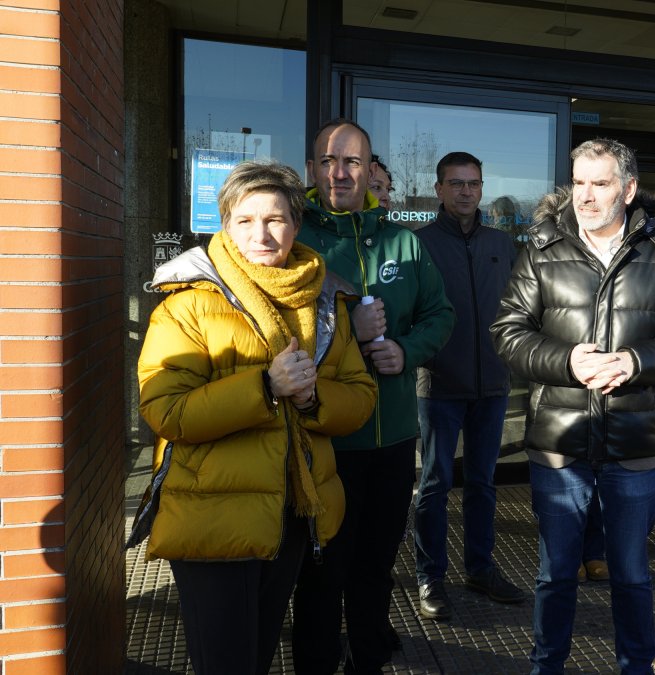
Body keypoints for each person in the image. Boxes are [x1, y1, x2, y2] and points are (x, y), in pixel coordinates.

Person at [136, 160, 376, 674]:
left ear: (297, 223)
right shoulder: (188, 302)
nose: (261, 234)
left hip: (290, 510)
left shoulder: (326, 299)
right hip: (211, 513)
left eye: (275, 219)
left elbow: (360, 395)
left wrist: (313, 400)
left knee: (258, 657)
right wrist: (265, 388)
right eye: (244, 220)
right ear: (224, 225)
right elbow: (166, 411)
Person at [491, 138, 655, 674]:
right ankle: (547, 665)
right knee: (555, 573)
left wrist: (634, 363)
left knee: (632, 574)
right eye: (579, 183)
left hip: (634, 444)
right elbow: (507, 332)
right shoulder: (541, 247)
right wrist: (568, 361)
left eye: (601, 183)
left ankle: (635, 666)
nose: (585, 197)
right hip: (560, 446)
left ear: (629, 189)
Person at [291, 119, 455, 675]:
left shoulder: (404, 240)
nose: (340, 172)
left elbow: (441, 314)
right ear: (312, 168)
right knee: (319, 572)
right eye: (328, 161)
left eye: (352, 162)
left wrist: (406, 351)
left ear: (368, 170)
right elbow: (271, 333)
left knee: (375, 567)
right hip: (323, 437)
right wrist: (349, 335)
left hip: (392, 437)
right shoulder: (294, 239)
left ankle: (368, 662)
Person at [412, 152, 522, 619]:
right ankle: (429, 577)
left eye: (473, 183)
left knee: (482, 483)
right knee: (434, 484)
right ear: (439, 189)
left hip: (491, 385)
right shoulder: (418, 244)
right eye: (455, 183)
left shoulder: (503, 243)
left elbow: (520, 306)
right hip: (438, 384)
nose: (465, 191)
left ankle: (480, 567)